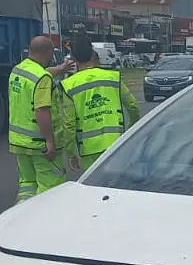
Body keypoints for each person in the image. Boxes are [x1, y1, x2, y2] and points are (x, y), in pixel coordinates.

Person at [7, 35, 76, 203]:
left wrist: (60, 69)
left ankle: (22, 215)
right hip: (39, 145)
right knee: (50, 187)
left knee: (28, 185)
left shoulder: (19, 70)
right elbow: (42, 110)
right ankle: (44, 222)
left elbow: (41, 74)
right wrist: (50, 141)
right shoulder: (42, 79)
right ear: (47, 52)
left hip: (19, 142)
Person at [61, 35, 140, 172]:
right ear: (92, 53)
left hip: (89, 149)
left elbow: (69, 125)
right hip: (116, 144)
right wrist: (131, 132)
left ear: (73, 58)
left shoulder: (69, 86)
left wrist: (71, 153)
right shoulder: (112, 77)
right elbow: (132, 105)